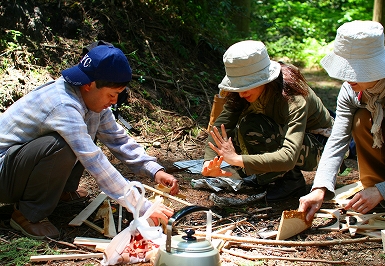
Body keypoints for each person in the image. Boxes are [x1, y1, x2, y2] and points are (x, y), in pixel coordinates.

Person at [0, 44, 179, 239]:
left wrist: (153, 168)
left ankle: (59, 192)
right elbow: (93, 160)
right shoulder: (64, 105)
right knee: (64, 145)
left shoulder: (92, 102)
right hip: (3, 174)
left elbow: (118, 139)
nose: (114, 101)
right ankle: (28, 215)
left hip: (18, 167)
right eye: (112, 95)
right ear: (89, 84)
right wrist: (141, 206)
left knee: (80, 136)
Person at [202, 40, 334, 201]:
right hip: (284, 136)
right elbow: (221, 126)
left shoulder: (293, 96)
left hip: (322, 147)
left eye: (246, 86)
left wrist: (237, 160)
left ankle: (290, 181)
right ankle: (267, 178)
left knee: (254, 127)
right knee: (246, 127)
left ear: (264, 79)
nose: (241, 93)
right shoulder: (241, 94)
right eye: (237, 87)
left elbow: (288, 156)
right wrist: (209, 163)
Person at [298, 20, 385, 222]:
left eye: (356, 71)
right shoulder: (350, 90)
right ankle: (380, 194)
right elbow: (337, 140)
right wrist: (320, 187)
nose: (347, 78)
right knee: (361, 119)